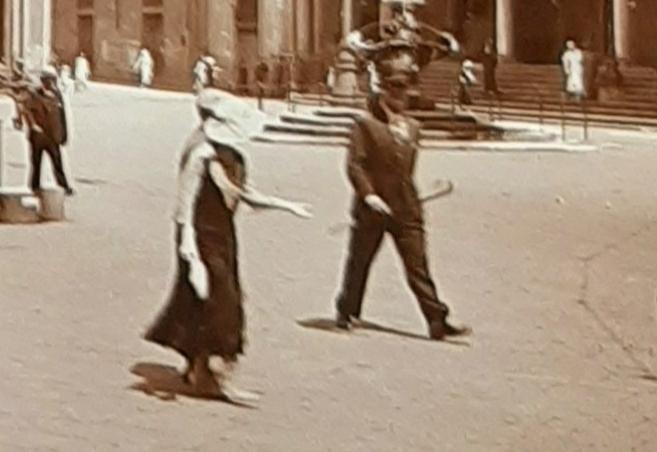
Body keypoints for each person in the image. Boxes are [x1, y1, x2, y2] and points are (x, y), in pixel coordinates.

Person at [145, 95, 307, 401]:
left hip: (223, 235)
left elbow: (244, 194)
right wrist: (190, 252)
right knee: (223, 303)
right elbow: (184, 207)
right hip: (198, 235)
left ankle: (199, 369)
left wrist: (285, 205)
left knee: (203, 301)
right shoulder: (201, 155)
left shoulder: (233, 156)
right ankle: (216, 372)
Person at [335, 59, 466, 341]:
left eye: (404, 89)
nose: (400, 95)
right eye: (394, 88)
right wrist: (369, 195)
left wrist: (411, 195)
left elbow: (404, 170)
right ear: (382, 91)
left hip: (406, 208)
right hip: (373, 210)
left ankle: (437, 320)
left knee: (418, 266)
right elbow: (355, 165)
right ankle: (347, 310)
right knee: (360, 262)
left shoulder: (413, 127)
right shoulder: (365, 125)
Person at [18, 70, 70, 193]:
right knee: (36, 163)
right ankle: (34, 187)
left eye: (53, 81)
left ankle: (64, 186)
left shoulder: (57, 95)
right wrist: (33, 125)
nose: (52, 84)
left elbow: (62, 116)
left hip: (53, 136)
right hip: (39, 136)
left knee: (57, 163)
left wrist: (64, 134)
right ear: (44, 82)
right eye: (49, 81)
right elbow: (26, 110)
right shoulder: (35, 95)